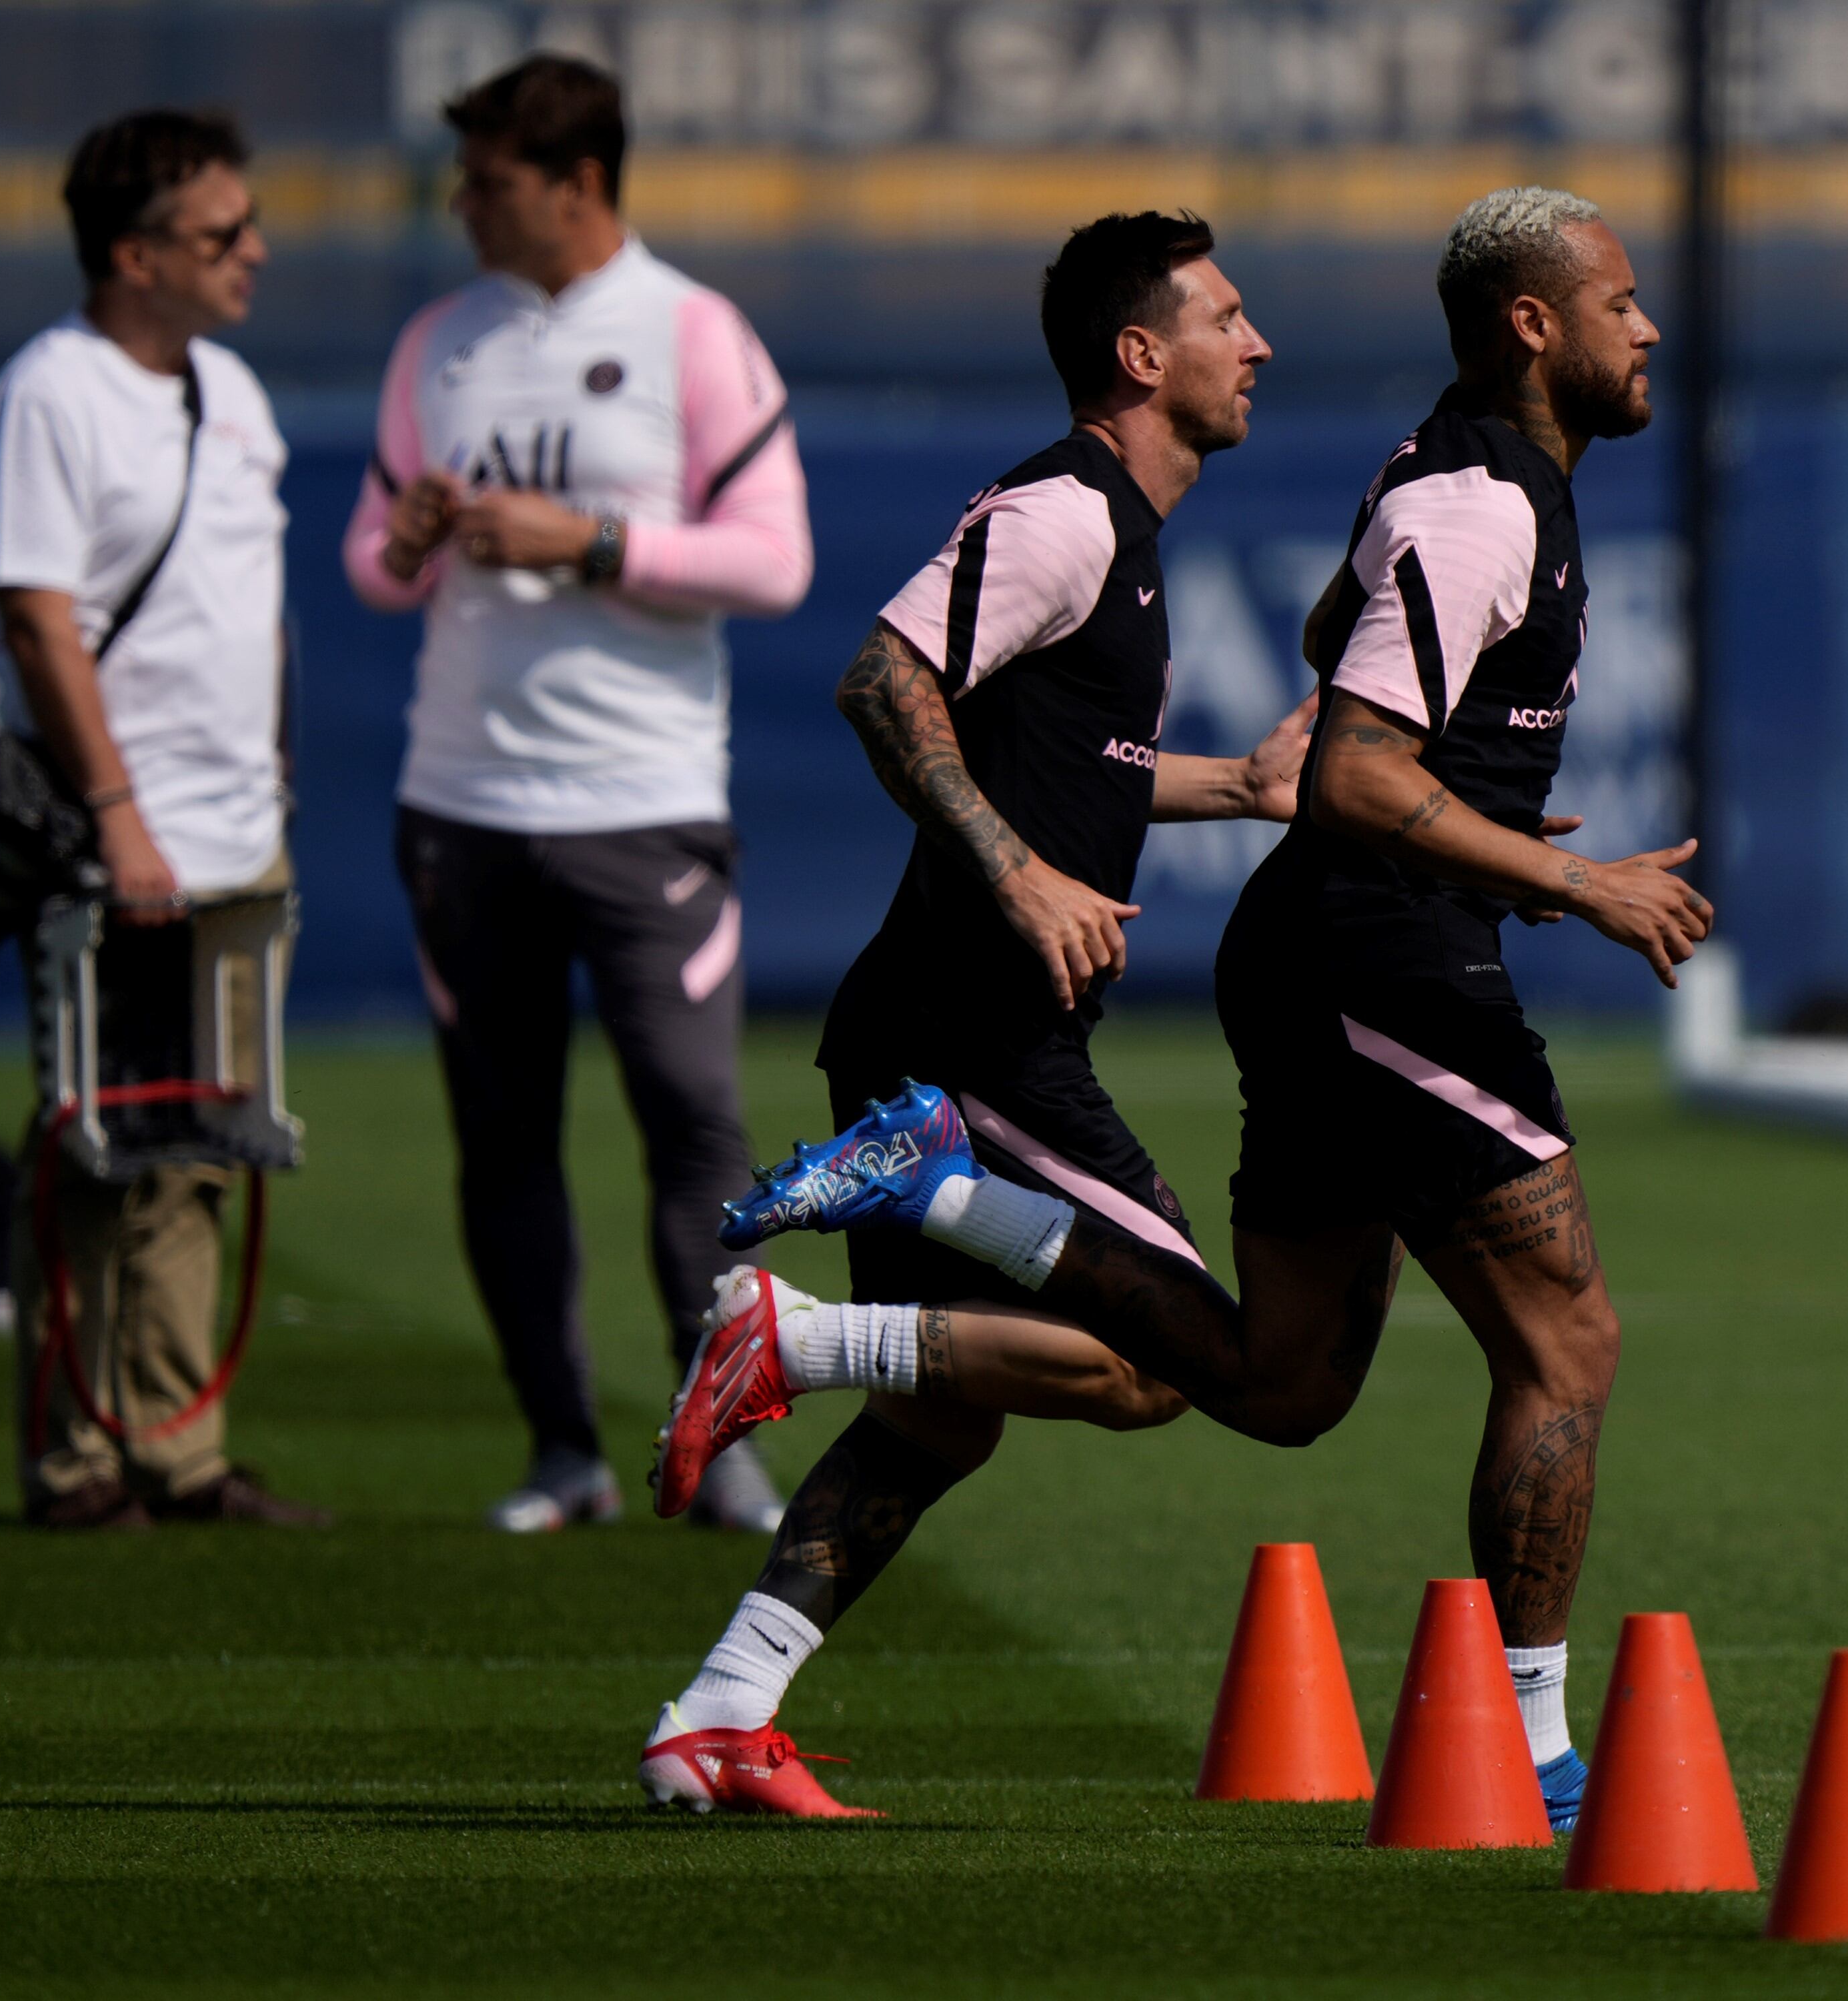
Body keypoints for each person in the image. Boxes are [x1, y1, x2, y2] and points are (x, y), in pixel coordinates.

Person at [704, 188, 1711, 1830]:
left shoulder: (1417, 488)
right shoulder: (1164, 510)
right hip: (1241, 978)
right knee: (1560, 1336)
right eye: (1621, 298)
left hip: (1307, 959)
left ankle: (724, 1702)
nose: (1647, 323)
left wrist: (1248, 782)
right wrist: (1565, 880)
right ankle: (1532, 1757)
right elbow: (1344, 766)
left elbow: (1324, 671)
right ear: (1537, 323)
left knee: (1268, 1382)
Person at [636, 211, 1307, 1816]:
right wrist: (1013, 875)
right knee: (1178, 1358)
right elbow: (883, 678)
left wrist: (1243, 789)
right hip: (967, 1037)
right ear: (1144, 356)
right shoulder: (1066, 511)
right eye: (1228, 315)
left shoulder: (1121, 537)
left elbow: (1073, 775)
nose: (1258, 343)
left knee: (941, 1422)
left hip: (950, 1032)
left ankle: (716, 1717)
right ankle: (793, 1328)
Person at [340, 55, 812, 1534]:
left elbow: (774, 562)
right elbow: (370, 562)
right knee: (502, 1133)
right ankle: (563, 1451)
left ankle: (719, 1443)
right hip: (463, 801)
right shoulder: (439, 340)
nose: (464, 207)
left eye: (490, 181)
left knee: (693, 1121)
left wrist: (592, 542)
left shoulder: (692, 330)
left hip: (642, 797)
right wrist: (410, 536)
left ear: (580, 183)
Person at [0, 109, 325, 1528]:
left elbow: (251, 609)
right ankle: (77, 1459)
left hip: (239, 827)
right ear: (132, 256)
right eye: (221, 234)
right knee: (93, 1147)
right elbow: (37, 617)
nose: (256, 251)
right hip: (118, 833)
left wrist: (274, 765)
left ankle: (178, 1449)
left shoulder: (233, 389)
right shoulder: (51, 391)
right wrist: (119, 815)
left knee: (204, 1148)